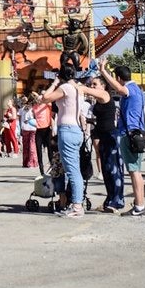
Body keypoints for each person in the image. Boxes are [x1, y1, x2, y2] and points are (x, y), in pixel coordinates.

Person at [34, 67, 111, 218]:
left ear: (61, 76)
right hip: (76, 130)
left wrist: (55, 83)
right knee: (74, 169)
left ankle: (77, 205)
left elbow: (45, 98)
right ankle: (76, 203)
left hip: (67, 129)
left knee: (72, 171)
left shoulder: (65, 87)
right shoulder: (78, 89)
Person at [101, 63, 145, 217]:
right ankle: (139, 203)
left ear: (119, 78)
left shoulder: (130, 89)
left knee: (134, 172)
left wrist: (103, 72)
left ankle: (139, 206)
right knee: (137, 171)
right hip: (137, 133)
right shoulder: (139, 90)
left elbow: (121, 90)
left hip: (129, 134)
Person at [91, 83, 123, 214]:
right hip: (102, 135)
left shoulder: (105, 95)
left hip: (111, 136)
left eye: (95, 84)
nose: (92, 86)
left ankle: (116, 202)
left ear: (103, 86)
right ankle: (109, 200)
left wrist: (79, 87)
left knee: (114, 170)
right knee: (106, 171)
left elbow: (87, 90)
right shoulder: (98, 100)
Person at [31, 91, 54, 171]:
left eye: (40, 99)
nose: (38, 100)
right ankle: (41, 169)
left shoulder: (47, 105)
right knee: (38, 150)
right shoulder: (34, 107)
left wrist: (41, 97)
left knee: (50, 150)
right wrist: (35, 96)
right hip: (39, 130)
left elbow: (49, 102)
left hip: (47, 129)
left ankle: (52, 166)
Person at [19, 95, 38, 168]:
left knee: (25, 146)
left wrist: (20, 128)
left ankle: (25, 162)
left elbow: (20, 119)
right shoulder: (34, 109)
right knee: (32, 145)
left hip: (24, 128)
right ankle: (33, 162)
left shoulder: (22, 109)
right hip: (33, 128)